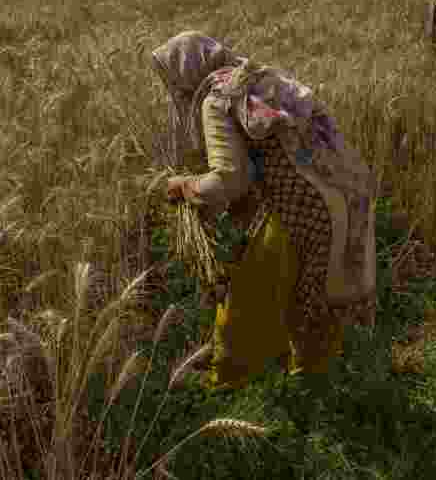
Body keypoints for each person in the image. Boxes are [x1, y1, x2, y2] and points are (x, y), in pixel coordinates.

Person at [151, 31, 376, 390]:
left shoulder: (217, 96)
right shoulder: (261, 79)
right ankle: (317, 392)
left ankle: (230, 389)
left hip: (301, 208)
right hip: (345, 198)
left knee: (249, 298)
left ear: (185, 73)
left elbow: (230, 178)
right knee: (312, 299)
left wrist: (183, 186)